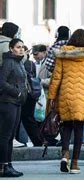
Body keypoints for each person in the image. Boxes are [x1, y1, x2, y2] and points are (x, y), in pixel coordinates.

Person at [47, 29, 84, 174]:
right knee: (78, 128)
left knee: (66, 126)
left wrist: (51, 97)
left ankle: (65, 154)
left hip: (65, 93)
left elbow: (56, 78)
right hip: (81, 95)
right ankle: (75, 163)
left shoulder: (62, 54)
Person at [0, 39, 28, 178]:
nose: (21, 49)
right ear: (11, 49)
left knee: (10, 136)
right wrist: (16, 92)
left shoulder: (18, 62)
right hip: (8, 102)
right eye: (18, 47)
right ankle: (4, 166)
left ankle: (8, 164)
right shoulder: (8, 62)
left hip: (17, 103)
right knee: (5, 136)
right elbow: (1, 82)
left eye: (23, 47)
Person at [19, 47, 43, 147]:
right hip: (31, 94)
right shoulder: (30, 63)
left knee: (25, 118)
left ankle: (37, 141)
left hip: (24, 93)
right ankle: (38, 141)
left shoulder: (22, 63)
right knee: (29, 119)